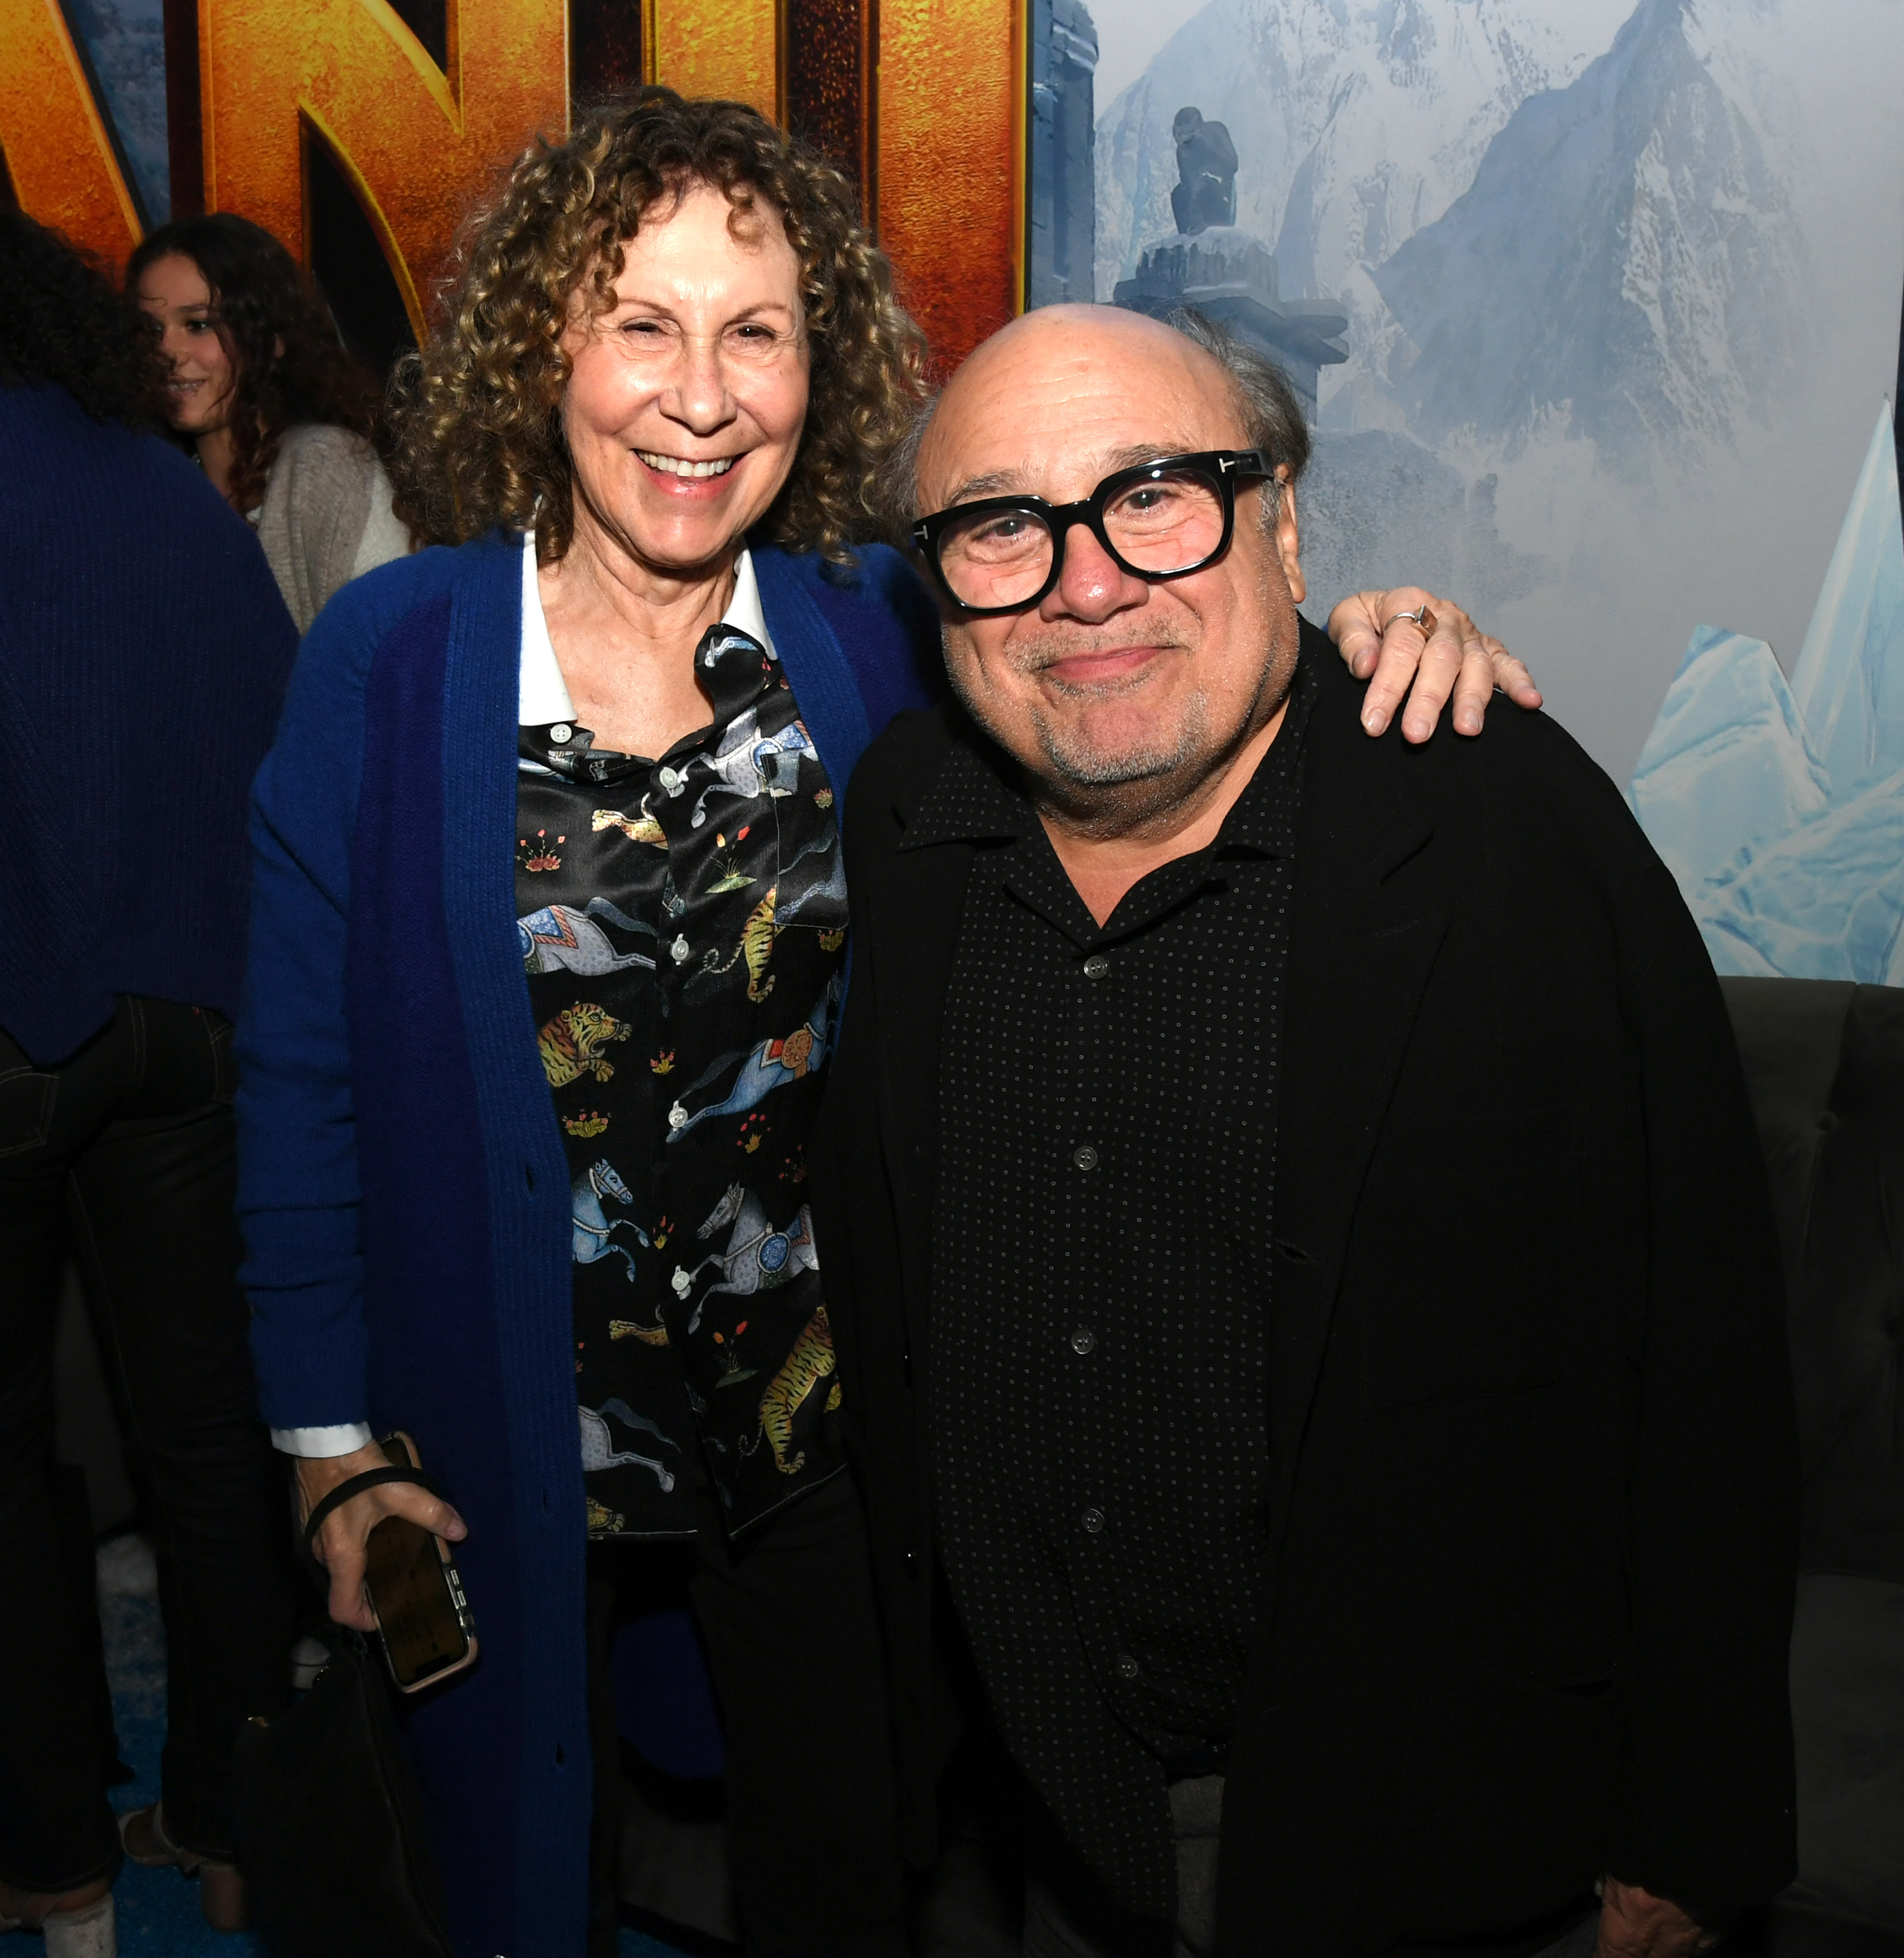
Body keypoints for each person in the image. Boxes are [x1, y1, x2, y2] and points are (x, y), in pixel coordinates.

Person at [234, 89, 1529, 1958]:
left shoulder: (871, 635)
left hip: (824, 1445)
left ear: (811, 365)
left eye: (753, 331)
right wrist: (328, 1445)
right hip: (495, 1423)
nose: (701, 394)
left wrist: (1365, 646)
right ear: (544, 346)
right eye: (643, 325)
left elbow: (1122, 678)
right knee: (507, 1884)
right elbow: (297, 1080)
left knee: (847, 1885)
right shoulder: (395, 656)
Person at [811, 303, 1801, 1958]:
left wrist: (1689, 1824)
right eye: (1002, 523)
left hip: (1419, 1837)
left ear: (1277, 519)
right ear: (940, 584)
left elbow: (1696, 1342)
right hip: (1036, 1816)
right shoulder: (909, 820)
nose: (1084, 579)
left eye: (1151, 493)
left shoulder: (1499, 818)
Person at [0, 211, 300, 1956]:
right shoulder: (154, 485)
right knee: (205, 1444)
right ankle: (236, 1817)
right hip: (193, 1031)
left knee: (7, 1463)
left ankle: (55, 1863)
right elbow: (273, 743)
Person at [130, 213, 411, 633]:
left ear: (273, 336)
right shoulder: (147, 490)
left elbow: (397, 647)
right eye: (150, 330)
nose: (168, 352)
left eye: (199, 324)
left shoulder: (324, 467)